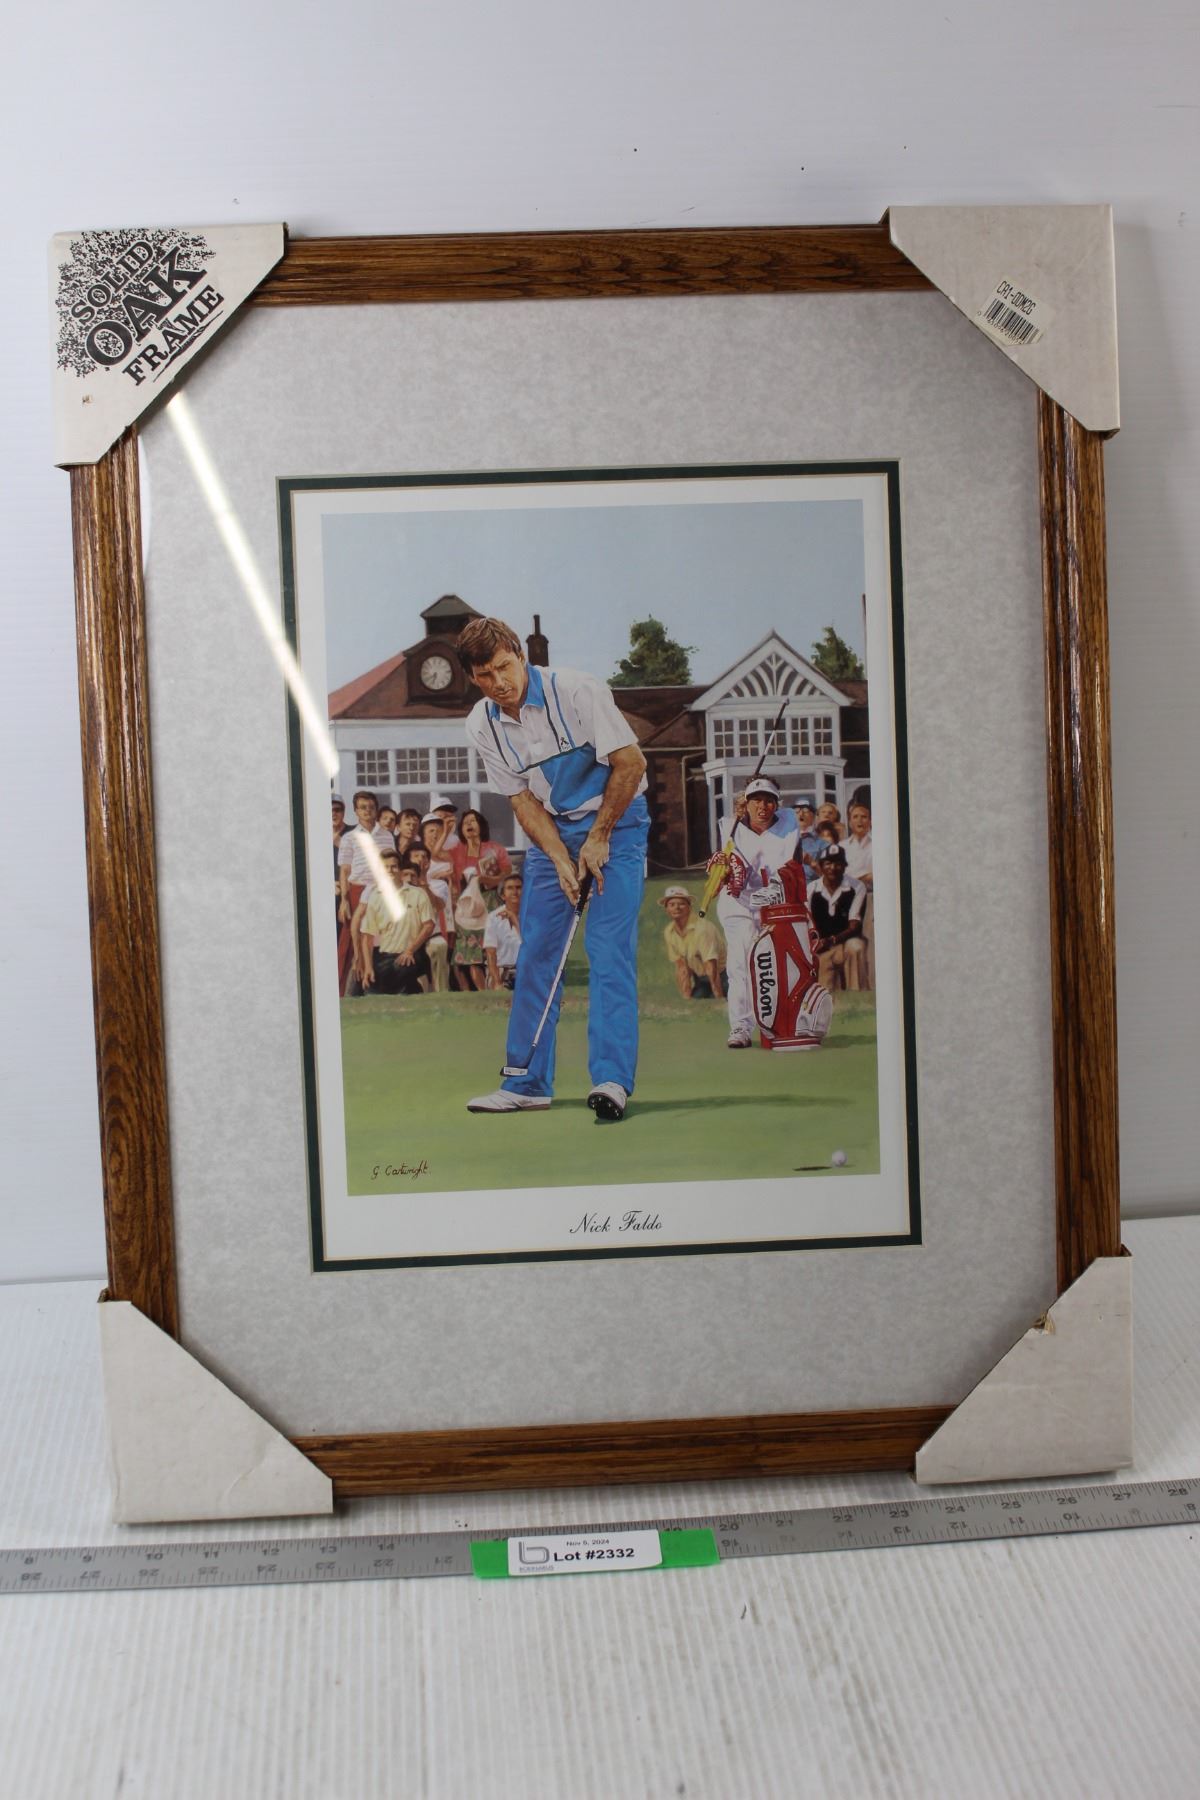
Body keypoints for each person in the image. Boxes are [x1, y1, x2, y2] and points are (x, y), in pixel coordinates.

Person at [457, 616, 649, 1121]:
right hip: (552, 831)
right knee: (538, 953)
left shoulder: (578, 691)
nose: (499, 683)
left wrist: (599, 836)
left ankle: (611, 1080)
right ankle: (526, 1083)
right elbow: (521, 799)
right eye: (485, 675)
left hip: (618, 823)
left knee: (607, 950)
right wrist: (562, 857)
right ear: (473, 677)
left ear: (521, 656)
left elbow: (631, 764)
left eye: (504, 667)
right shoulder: (481, 723)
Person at [710, 775, 800, 1048]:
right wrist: (722, 870)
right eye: (756, 800)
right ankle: (741, 1026)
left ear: (777, 804)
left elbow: (792, 867)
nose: (763, 807)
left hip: (774, 904)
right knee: (740, 963)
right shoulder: (730, 828)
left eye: (769, 801)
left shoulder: (788, 825)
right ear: (746, 803)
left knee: (773, 965)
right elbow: (722, 871)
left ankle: (776, 1024)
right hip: (738, 903)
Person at [336, 790, 396, 994]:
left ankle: (374, 987)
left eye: (371, 807)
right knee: (351, 940)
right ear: (355, 811)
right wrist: (344, 901)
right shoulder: (349, 838)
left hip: (381, 891)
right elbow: (345, 871)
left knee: (377, 938)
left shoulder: (386, 835)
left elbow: (391, 865)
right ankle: (343, 992)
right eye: (363, 808)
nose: (367, 811)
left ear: (376, 809)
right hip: (356, 890)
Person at [450, 808, 512, 991]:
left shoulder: (495, 848)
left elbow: (507, 871)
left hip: (490, 900)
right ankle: (480, 992)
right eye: (465, 822)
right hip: (468, 903)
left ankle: (496, 985)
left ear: (481, 826)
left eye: (473, 821)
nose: (469, 824)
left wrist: (493, 879)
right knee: (470, 952)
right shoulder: (456, 851)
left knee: (493, 946)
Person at [359, 850, 436, 995]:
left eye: (394, 866)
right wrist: (368, 967)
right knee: (370, 991)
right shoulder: (375, 896)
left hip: (412, 953)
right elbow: (367, 937)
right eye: (385, 867)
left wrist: (409, 950)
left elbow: (429, 926)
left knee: (402, 969)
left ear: (400, 869)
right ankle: (413, 989)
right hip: (385, 956)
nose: (390, 870)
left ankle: (408, 989)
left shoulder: (418, 894)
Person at [809, 842, 866, 990]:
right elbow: (807, 923)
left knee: (856, 947)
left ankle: (857, 997)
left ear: (845, 866)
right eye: (828, 863)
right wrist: (816, 944)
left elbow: (854, 926)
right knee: (824, 992)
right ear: (821, 866)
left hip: (845, 943)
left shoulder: (857, 887)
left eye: (838, 864)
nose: (833, 868)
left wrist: (832, 940)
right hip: (822, 948)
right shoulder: (811, 889)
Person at [659, 885, 726, 1002]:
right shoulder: (669, 932)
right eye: (672, 905)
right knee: (696, 1000)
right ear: (667, 910)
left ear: (689, 907)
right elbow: (682, 967)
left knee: (721, 999)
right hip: (701, 978)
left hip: (724, 975)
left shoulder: (703, 929)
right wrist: (686, 998)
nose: (677, 908)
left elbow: (711, 967)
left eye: (681, 904)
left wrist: (718, 998)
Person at [403, 845, 450, 991]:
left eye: (424, 857)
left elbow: (438, 906)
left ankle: (442, 993)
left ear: (429, 863)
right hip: (406, 936)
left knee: (439, 946)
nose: (421, 860)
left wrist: (423, 883)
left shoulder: (439, 884)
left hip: (431, 935)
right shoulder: (401, 884)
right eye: (416, 856)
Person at [483, 873, 524, 989]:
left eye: (518, 887)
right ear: (502, 895)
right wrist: (497, 982)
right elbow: (490, 953)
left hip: (527, 972)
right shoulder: (493, 918)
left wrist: (514, 919)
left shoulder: (534, 916)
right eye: (510, 888)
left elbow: (531, 945)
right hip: (502, 972)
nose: (515, 892)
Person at [792, 796, 826, 891]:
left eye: (805, 810)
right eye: (797, 811)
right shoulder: (783, 840)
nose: (801, 814)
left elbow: (830, 876)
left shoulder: (823, 844)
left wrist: (812, 863)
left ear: (814, 816)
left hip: (812, 889)